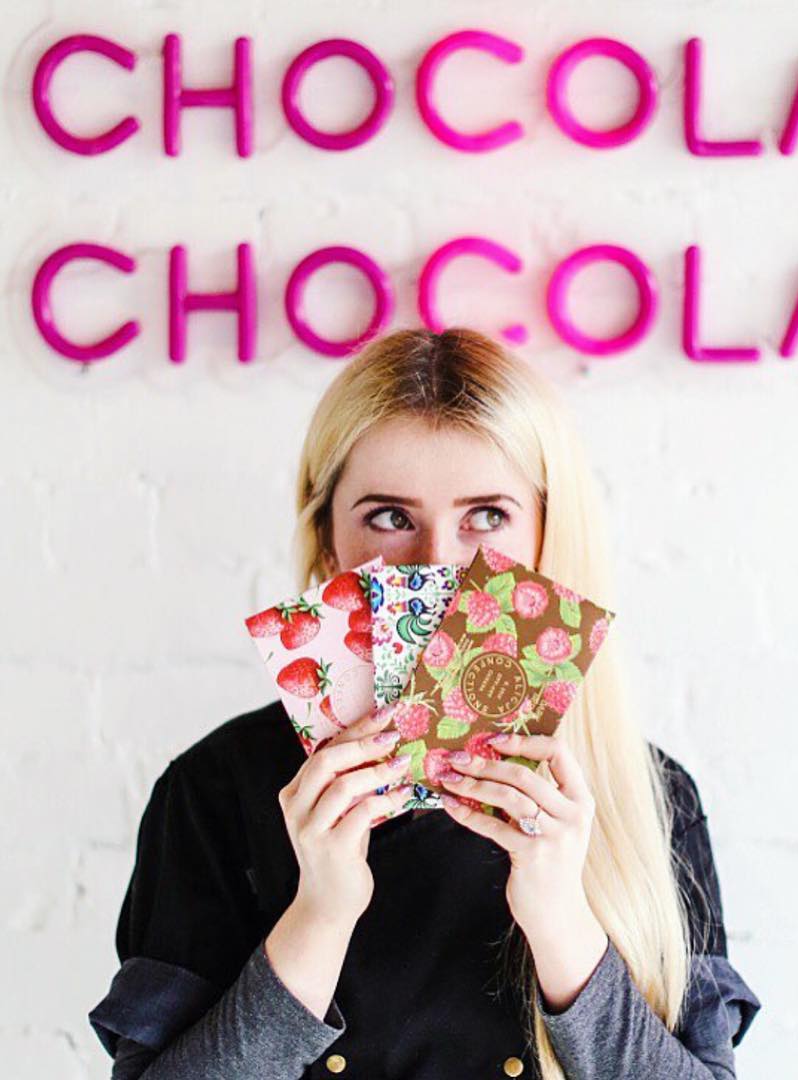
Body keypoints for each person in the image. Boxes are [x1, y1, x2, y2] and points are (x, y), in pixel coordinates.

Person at [87, 327, 762, 1079]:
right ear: (327, 539)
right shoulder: (214, 790)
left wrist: (560, 919)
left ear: (545, 536)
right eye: (389, 517)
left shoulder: (648, 797)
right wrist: (321, 914)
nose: (439, 564)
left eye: (487, 516)